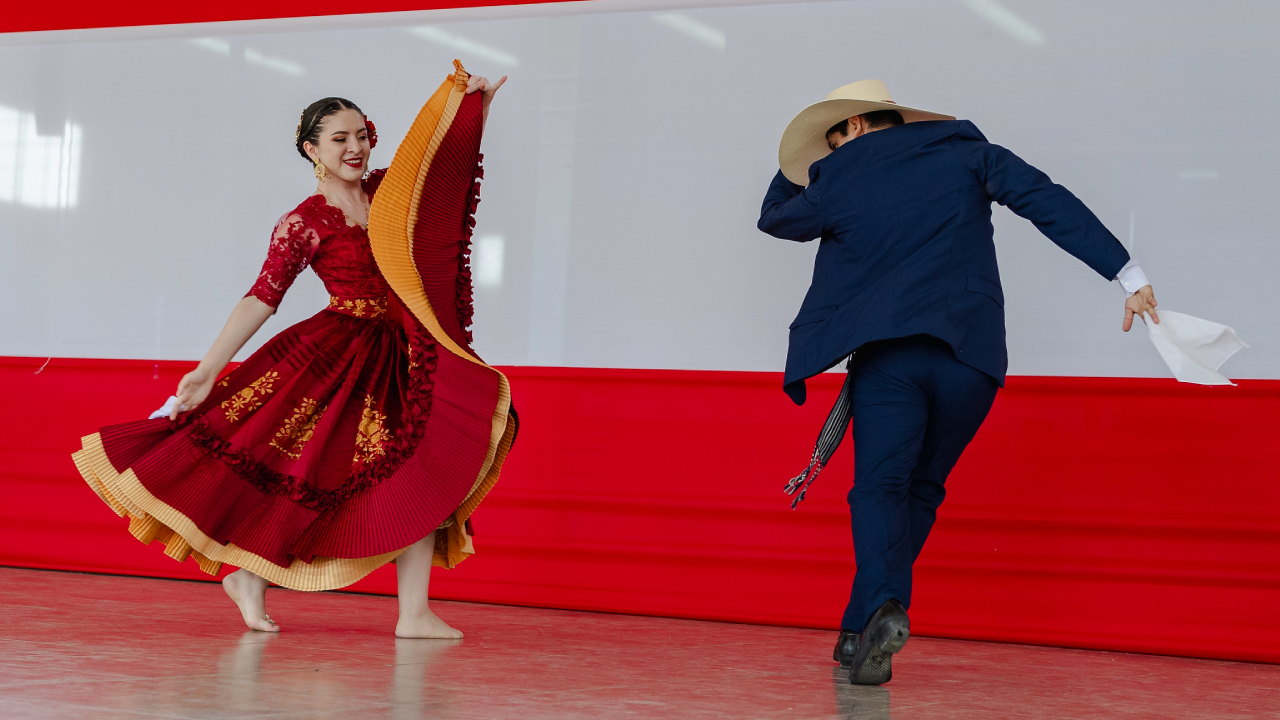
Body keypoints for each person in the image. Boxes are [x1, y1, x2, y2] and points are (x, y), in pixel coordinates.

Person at [72, 64, 516, 639]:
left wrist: (475, 110)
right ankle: (248, 577)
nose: (355, 148)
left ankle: (413, 614)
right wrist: (208, 370)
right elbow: (262, 297)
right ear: (311, 149)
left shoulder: (390, 194)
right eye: (340, 139)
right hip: (337, 357)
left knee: (420, 472)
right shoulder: (303, 222)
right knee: (287, 465)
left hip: (408, 356)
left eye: (362, 135)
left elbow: (444, 186)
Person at [757, 80, 1159, 684]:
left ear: (861, 126)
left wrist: (796, 166)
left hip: (892, 360)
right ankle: (858, 626)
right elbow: (1046, 200)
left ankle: (886, 606)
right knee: (919, 492)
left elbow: (775, 220)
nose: (833, 153)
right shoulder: (970, 153)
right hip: (972, 360)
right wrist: (1127, 274)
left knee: (878, 491)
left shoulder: (838, 182)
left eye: (836, 138)